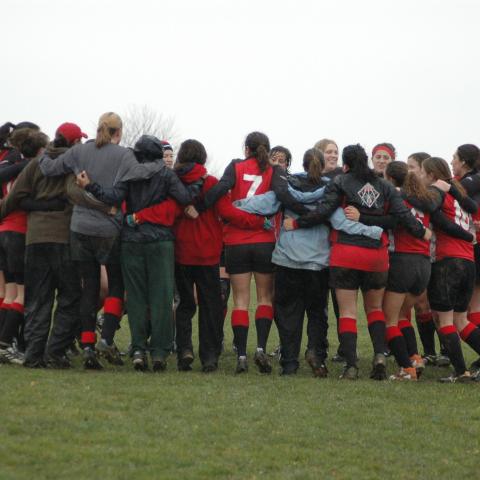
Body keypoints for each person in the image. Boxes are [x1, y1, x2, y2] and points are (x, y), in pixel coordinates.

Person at [285, 144, 430, 380]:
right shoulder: (383, 184)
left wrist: (298, 223)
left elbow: (324, 211)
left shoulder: (340, 181)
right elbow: (400, 216)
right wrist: (420, 230)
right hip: (376, 256)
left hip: (346, 253)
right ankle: (380, 355)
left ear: (346, 163)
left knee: (348, 312)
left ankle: (351, 365)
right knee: (374, 310)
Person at [37, 112, 163, 369]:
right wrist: (160, 164)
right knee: (116, 286)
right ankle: (105, 338)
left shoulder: (80, 151)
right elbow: (141, 174)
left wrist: (42, 153)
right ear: (119, 133)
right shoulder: (124, 156)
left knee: (90, 288)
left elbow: (49, 169)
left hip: (79, 228)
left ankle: (86, 347)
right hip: (108, 230)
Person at [78, 135, 203, 372]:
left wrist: (90, 185)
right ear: (158, 154)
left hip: (131, 240)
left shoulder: (128, 173)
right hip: (160, 241)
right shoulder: (166, 175)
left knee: (135, 298)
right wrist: (198, 184)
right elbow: (185, 198)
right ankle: (159, 352)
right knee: (161, 297)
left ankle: (137, 350)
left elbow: (112, 197)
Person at [196, 131, 307, 374]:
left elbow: (222, 189)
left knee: (240, 302)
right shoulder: (275, 170)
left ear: (246, 148)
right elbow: (283, 196)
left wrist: (199, 205)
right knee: (265, 298)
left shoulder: (236, 166)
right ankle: (260, 349)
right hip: (265, 241)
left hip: (236, 242)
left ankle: (242, 356)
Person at [0, 123, 88, 368]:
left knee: (37, 299)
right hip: (63, 239)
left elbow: (14, 196)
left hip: (35, 239)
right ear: (73, 143)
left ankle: (33, 354)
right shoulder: (75, 165)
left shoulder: (35, 165)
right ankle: (55, 351)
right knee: (70, 297)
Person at [421, 157, 480, 382]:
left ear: (432, 176)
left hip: (448, 261)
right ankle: (462, 370)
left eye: (423, 174)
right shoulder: (460, 196)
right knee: (461, 320)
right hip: (468, 261)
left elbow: (430, 210)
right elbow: (471, 208)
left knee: (444, 321)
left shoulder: (438, 193)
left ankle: (461, 371)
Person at [0, 128, 48, 364]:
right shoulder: (31, 170)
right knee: (21, 293)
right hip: (20, 231)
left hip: (4, 230)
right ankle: (6, 344)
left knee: (8, 292)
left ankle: (3, 341)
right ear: (39, 151)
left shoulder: (10, 169)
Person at [450, 144, 480, 375]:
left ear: (465, 162)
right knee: (473, 309)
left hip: (473, 247)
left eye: (454, 158)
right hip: (473, 247)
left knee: (466, 312)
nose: (452, 162)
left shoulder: (470, 181)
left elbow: (452, 189)